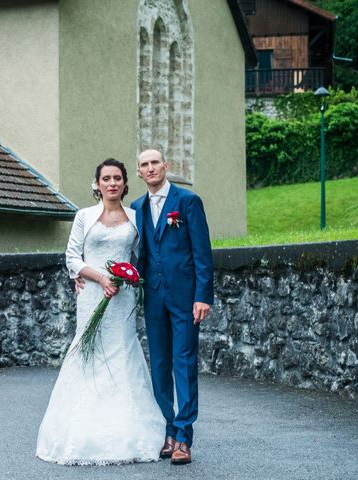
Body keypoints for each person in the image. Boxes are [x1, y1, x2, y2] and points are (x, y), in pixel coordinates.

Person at [36, 158, 165, 465]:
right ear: (97, 184)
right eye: (106, 178)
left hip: (122, 298)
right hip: (93, 294)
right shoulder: (84, 216)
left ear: (124, 183)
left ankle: (131, 430)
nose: (112, 183)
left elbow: (139, 257)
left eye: (117, 178)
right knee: (89, 353)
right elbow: (72, 257)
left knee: (122, 353)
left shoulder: (136, 217)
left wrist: (128, 277)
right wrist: (98, 277)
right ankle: (80, 431)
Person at [130, 149, 214, 464]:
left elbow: (203, 253)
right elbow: (138, 254)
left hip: (185, 298)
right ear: (139, 172)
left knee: (184, 363)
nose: (150, 168)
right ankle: (166, 429)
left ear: (165, 166)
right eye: (144, 165)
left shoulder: (187, 201)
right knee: (160, 366)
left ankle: (183, 436)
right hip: (152, 298)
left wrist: (203, 295)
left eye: (155, 162)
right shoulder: (136, 208)